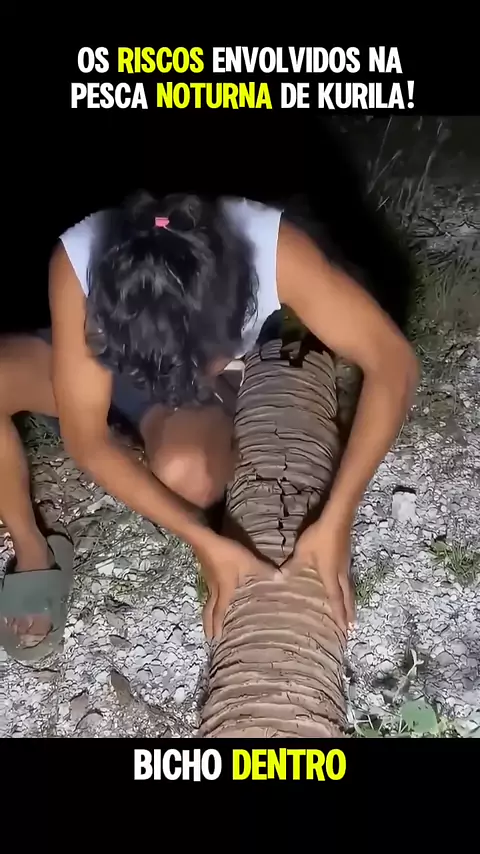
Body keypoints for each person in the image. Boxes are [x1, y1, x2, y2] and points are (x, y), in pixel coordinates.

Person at [0, 191, 419, 661]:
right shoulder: (81, 257)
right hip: (102, 366)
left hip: (197, 389)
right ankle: (32, 547)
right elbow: (87, 442)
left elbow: (394, 364)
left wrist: (338, 516)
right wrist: (201, 540)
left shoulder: (273, 250)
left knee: (187, 473)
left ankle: (190, 422)